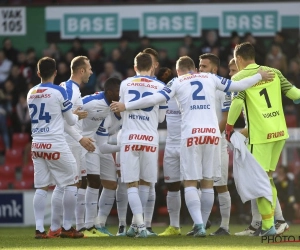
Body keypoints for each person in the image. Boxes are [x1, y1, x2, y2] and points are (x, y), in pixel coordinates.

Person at [111, 55, 274, 237]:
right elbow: (239, 86)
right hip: (212, 134)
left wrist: (127, 105)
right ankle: (203, 222)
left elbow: (154, 99)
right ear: (194, 69)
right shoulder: (210, 78)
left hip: (191, 135)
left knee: (190, 182)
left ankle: (199, 225)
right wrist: (259, 75)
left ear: (179, 70)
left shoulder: (177, 81)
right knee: (207, 182)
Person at [225, 42, 300, 236]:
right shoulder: (274, 71)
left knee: (258, 181)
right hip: (280, 133)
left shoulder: (240, 77)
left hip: (260, 135)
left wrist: (229, 127)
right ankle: (275, 223)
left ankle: (268, 226)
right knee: (266, 178)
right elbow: (295, 95)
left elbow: (237, 104)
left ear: (239, 58)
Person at [27, 57, 86, 239]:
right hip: (56, 143)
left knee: (41, 187)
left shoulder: (31, 92)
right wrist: (76, 115)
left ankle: (39, 230)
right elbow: (70, 120)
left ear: (38, 74)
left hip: (37, 144)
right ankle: (67, 227)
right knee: (71, 182)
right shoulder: (59, 91)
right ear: (55, 72)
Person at [117, 52, 167, 238]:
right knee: (146, 181)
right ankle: (142, 225)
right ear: (152, 66)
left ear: (135, 66)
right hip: (150, 138)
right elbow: (162, 117)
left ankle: (137, 224)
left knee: (131, 184)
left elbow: (122, 111)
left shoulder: (125, 83)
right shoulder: (160, 86)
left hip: (130, 137)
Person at [47, 56, 96, 238]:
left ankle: (60, 227)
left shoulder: (72, 89)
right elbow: (61, 117)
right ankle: (62, 227)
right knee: (67, 184)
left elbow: (70, 116)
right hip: (69, 142)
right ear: (81, 70)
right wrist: (80, 138)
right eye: (89, 68)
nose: (91, 72)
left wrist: (81, 133)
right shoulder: (69, 89)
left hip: (74, 142)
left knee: (74, 183)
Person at [80, 77, 121, 236]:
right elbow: (71, 110)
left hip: (102, 145)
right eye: (119, 92)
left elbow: (104, 145)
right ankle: (86, 225)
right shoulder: (96, 104)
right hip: (89, 143)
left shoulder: (121, 110)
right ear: (110, 93)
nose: (122, 95)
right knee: (91, 181)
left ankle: (99, 223)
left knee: (111, 183)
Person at [198, 53, 231, 236]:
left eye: (204, 66)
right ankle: (201, 223)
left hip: (217, 142)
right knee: (200, 182)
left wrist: (212, 136)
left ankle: (225, 226)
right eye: (199, 66)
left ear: (214, 69)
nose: (200, 69)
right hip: (202, 140)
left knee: (220, 184)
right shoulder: (198, 85)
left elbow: (225, 120)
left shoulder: (224, 88)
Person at [156, 67, 182, 237]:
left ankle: (200, 223)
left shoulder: (184, 88)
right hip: (172, 142)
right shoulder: (162, 94)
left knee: (193, 183)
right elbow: (161, 118)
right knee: (173, 185)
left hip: (188, 141)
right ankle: (174, 226)